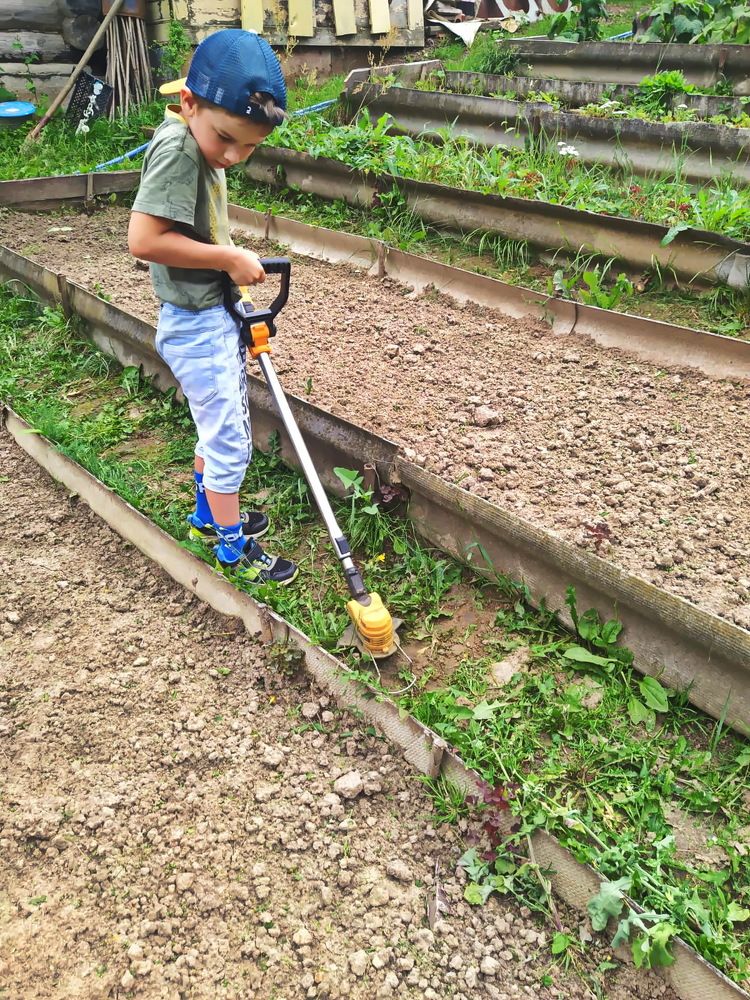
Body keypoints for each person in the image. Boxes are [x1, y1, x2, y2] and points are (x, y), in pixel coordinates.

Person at [128, 29, 298, 586]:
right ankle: (230, 547)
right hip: (195, 323)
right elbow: (144, 240)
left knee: (214, 427)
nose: (234, 156)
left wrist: (228, 273)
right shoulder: (179, 149)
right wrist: (227, 258)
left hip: (209, 312)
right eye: (226, 139)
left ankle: (207, 517)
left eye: (249, 147)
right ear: (188, 103)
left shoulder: (197, 135)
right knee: (229, 442)